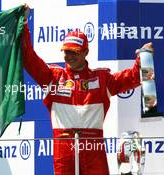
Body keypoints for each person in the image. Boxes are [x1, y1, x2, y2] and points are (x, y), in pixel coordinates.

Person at [21, 5, 153, 175]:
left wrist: (143, 58)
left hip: (93, 146)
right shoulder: (53, 77)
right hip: (64, 146)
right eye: (66, 51)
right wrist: (23, 23)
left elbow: (133, 77)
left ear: (86, 52)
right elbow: (28, 58)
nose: (69, 56)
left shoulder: (102, 78)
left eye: (74, 52)